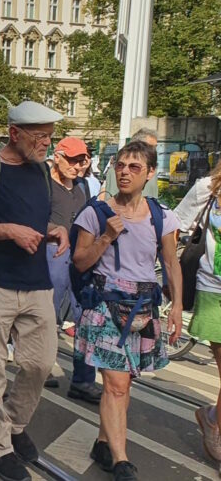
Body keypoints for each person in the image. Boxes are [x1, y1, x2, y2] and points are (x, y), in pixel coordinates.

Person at [0, 101, 71, 481]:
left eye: (50, 137)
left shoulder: (40, 171)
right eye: (40, 137)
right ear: (14, 133)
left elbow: (41, 217)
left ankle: (16, 424)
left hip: (37, 284)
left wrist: (57, 229)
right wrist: (9, 230)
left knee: (39, 364)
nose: (47, 145)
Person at [71, 140, 182, 481]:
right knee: (116, 385)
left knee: (124, 384)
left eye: (134, 167)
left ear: (150, 173)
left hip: (143, 308)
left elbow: (171, 261)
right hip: (105, 305)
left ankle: (104, 442)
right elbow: (79, 262)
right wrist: (105, 237)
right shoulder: (95, 212)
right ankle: (121, 461)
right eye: (120, 165)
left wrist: (177, 304)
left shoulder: (162, 216)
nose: (124, 172)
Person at [41, 137, 103, 402]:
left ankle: (83, 380)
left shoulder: (84, 186)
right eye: (74, 160)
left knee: (86, 318)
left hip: (79, 258)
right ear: (58, 156)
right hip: (50, 254)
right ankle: (40, 368)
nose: (78, 166)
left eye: (82, 161)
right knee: (45, 316)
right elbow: (29, 219)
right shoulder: (41, 183)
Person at [175, 160, 221, 464]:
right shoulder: (207, 188)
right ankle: (214, 423)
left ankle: (212, 416)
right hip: (214, 291)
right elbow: (174, 224)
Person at [100, 128, 159, 199]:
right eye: (150, 147)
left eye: (155, 147)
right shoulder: (117, 171)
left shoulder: (151, 170)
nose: (154, 151)